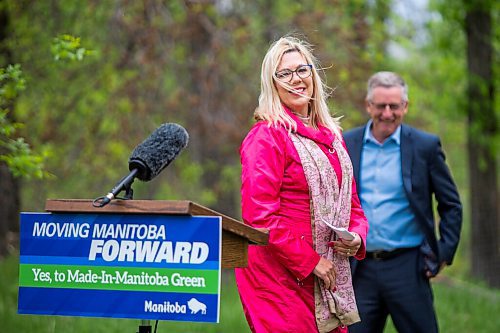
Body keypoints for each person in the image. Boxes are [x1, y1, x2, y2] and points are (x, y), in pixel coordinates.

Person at [234, 36, 369, 333]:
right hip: (280, 279)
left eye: (302, 70)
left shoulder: (331, 137)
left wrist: (357, 238)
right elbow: (260, 217)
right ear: (272, 83)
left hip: (325, 277)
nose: (296, 80)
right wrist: (311, 261)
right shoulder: (267, 136)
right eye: (284, 74)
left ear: (313, 75)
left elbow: (352, 205)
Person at [344, 71, 462, 333]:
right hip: (359, 268)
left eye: (394, 106)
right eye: (380, 106)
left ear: (405, 107)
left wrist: (443, 252)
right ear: (368, 105)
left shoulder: (425, 146)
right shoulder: (345, 143)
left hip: (408, 267)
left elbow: (451, 205)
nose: (387, 113)